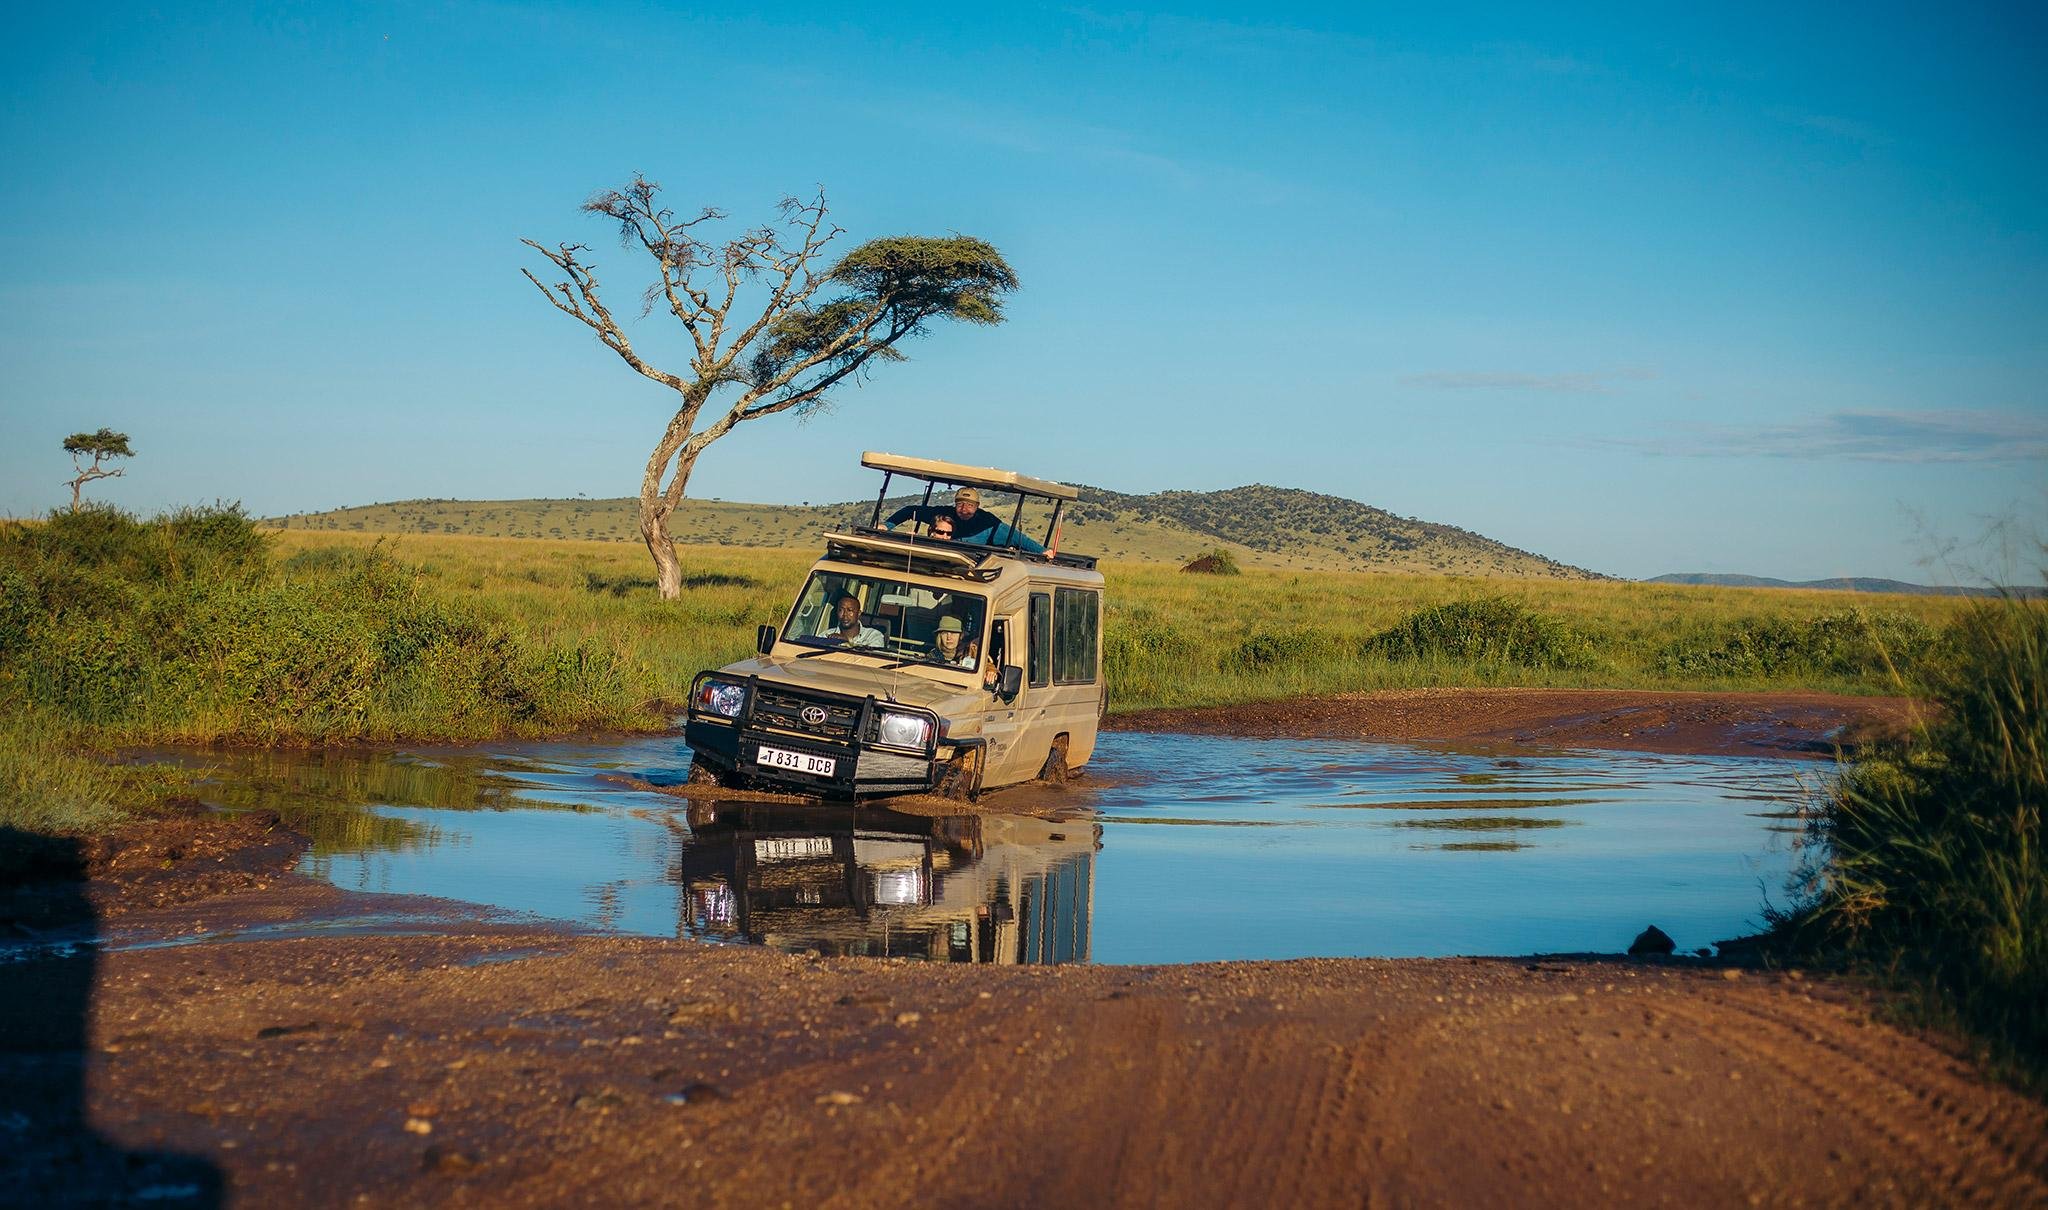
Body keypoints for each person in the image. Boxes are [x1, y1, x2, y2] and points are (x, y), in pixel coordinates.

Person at [886, 486, 1046, 554]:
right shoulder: (944, 515)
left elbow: (1020, 540)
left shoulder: (990, 524)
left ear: (977, 506)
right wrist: (887, 526)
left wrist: (1042, 551)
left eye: (969, 505)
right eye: (960, 504)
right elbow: (910, 511)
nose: (964, 509)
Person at [817, 593, 884, 648]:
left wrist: (848, 643)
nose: (845, 615)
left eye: (850, 610)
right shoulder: (825, 636)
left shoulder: (873, 635)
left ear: (859, 613)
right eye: (841, 610)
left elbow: (872, 660)